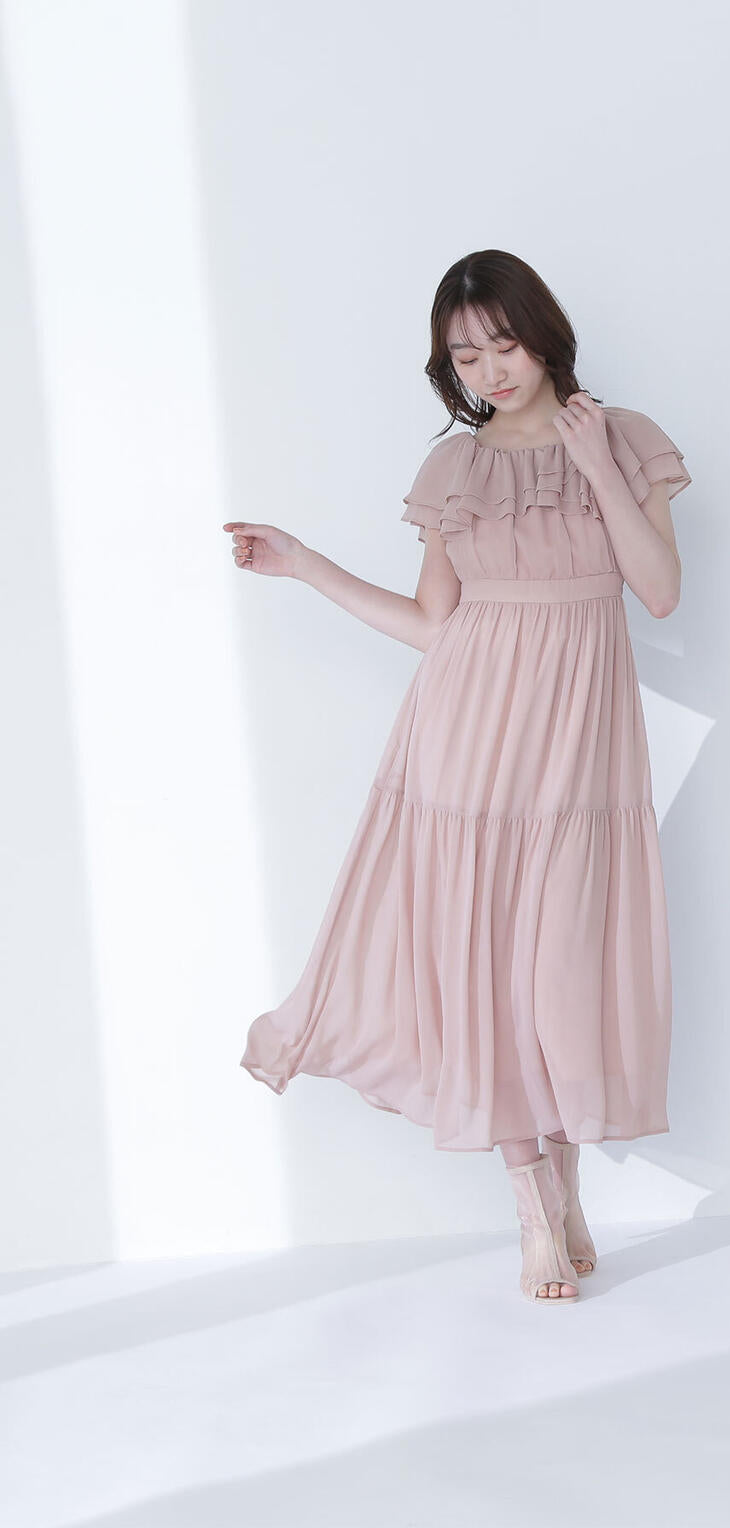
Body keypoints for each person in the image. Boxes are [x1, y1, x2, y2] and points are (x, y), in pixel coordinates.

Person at [229, 249, 691, 1304]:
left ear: (544, 336)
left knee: (561, 970)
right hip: (466, 742)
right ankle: (534, 1208)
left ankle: (566, 1186)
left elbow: (659, 591)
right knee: (488, 972)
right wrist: (304, 564)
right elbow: (436, 626)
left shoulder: (623, 436)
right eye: (464, 356)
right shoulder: (454, 469)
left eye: (503, 344)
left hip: (579, 751)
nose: (488, 370)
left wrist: (597, 466)